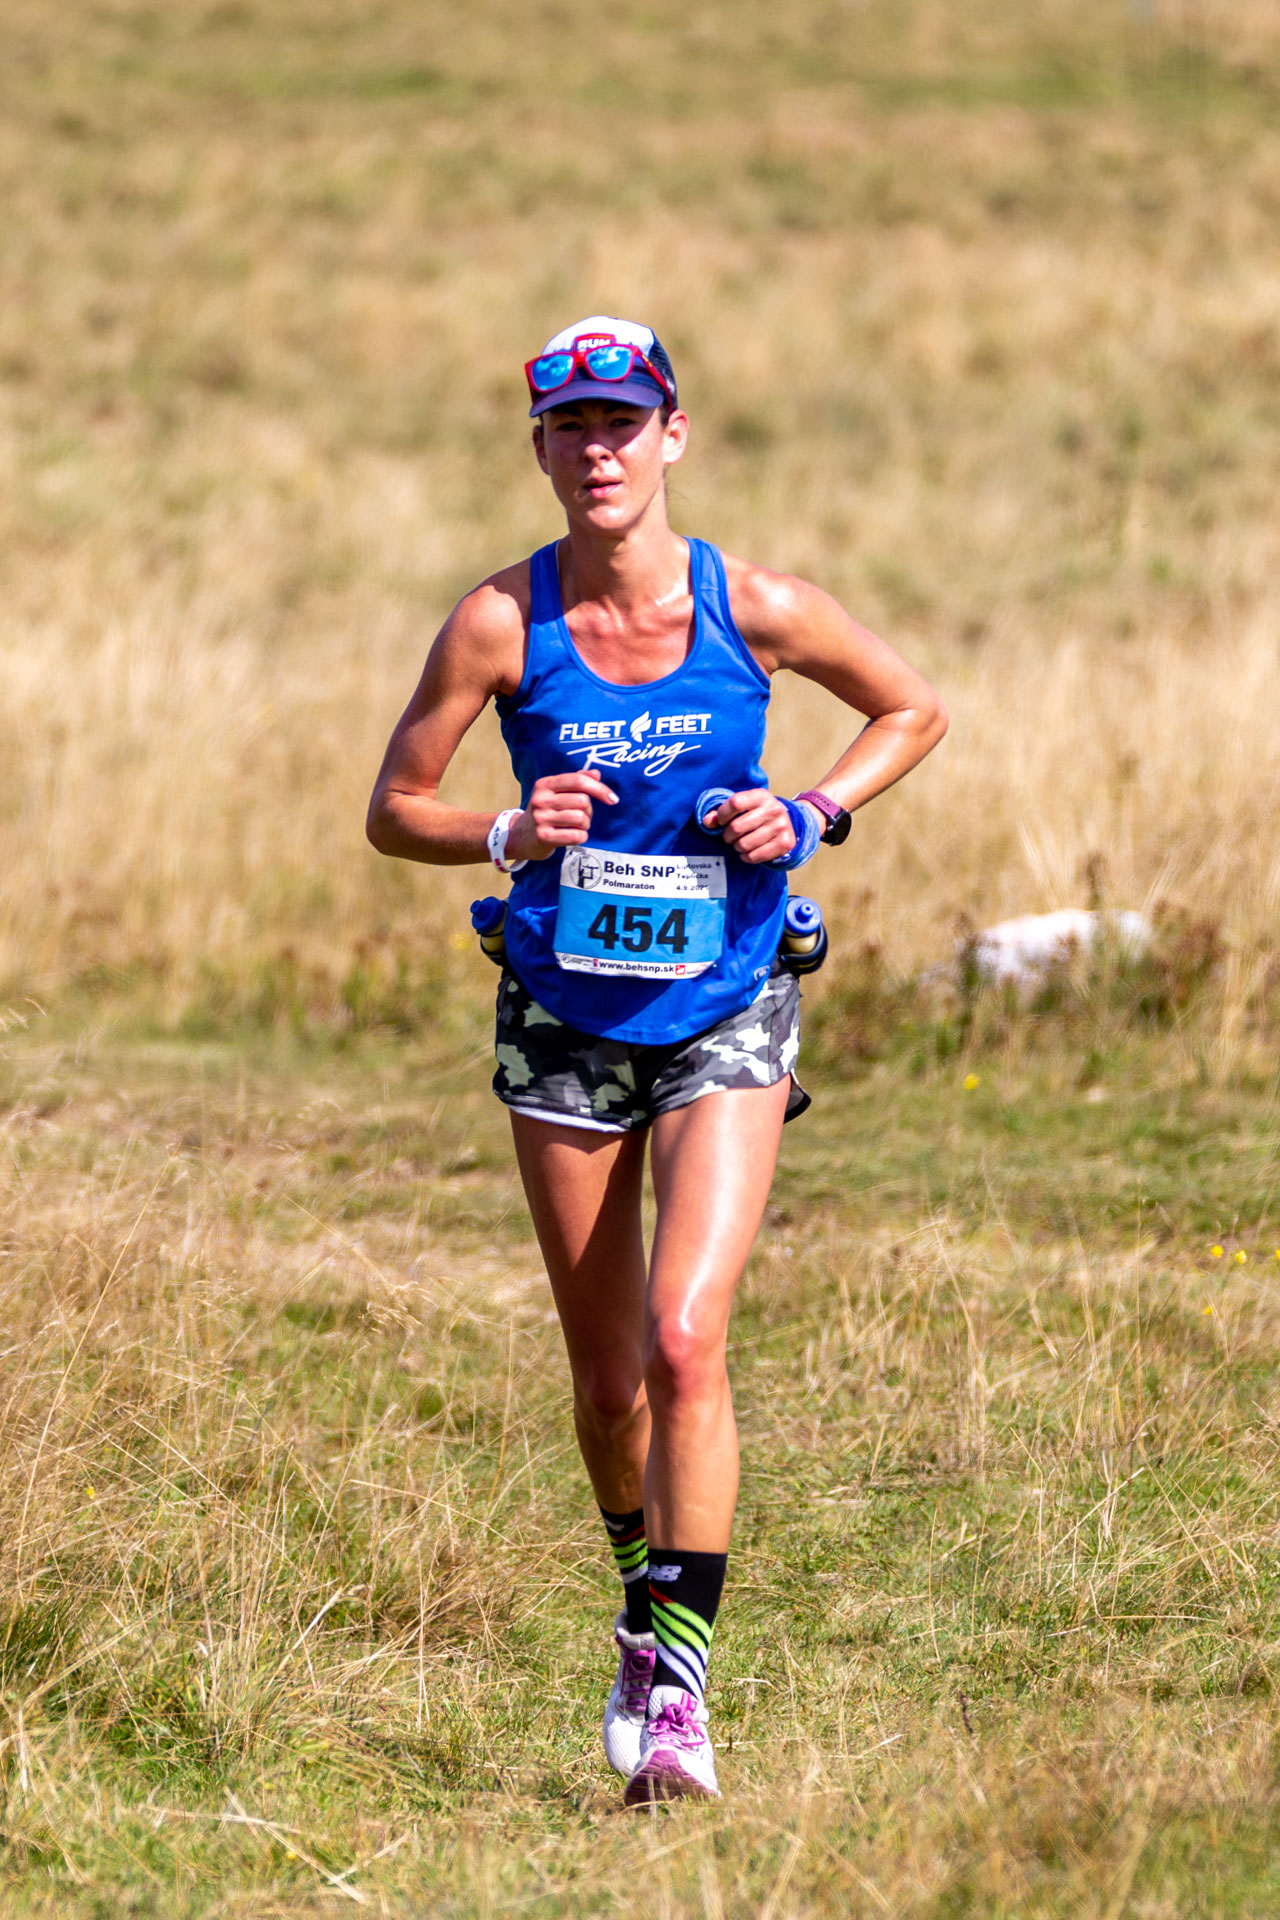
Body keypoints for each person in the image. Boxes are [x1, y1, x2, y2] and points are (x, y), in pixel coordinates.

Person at [366, 315, 947, 1804]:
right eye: (571, 427)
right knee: (610, 1379)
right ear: (542, 451)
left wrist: (809, 813)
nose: (600, 449)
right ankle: (641, 1597)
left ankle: (680, 1690)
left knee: (689, 1339)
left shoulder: (757, 606)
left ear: (673, 435)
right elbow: (395, 807)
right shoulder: (500, 623)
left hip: (727, 1006)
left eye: (623, 422)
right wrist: (506, 830)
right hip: (563, 1021)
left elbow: (912, 707)